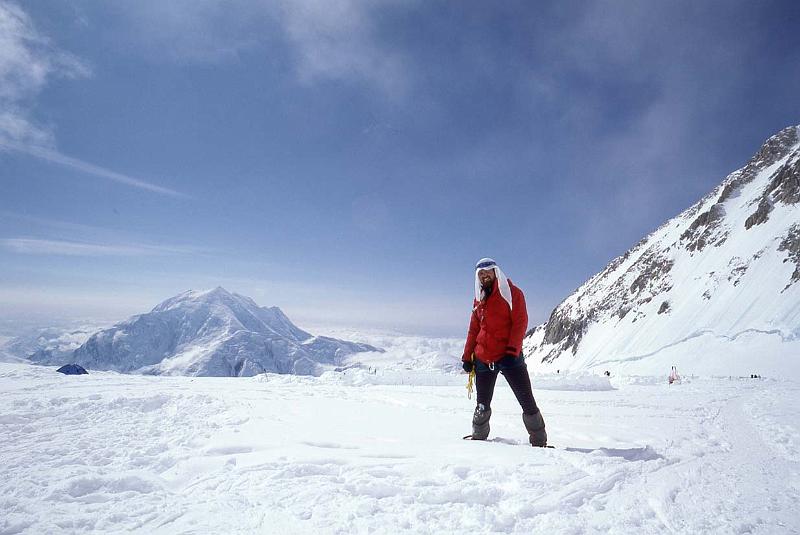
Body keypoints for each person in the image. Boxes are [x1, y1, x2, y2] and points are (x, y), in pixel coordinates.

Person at [461, 258, 547, 447]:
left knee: (527, 401)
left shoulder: (512, 293)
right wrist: (467, 356)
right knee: (482, 404)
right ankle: (478, 439)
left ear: (496, 272)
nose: (484, 276)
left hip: (510, 357)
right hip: (484, 357)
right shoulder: (479, 298)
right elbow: (474, 329)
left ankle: (539, 442)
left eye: (487, 272)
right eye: (480, 274)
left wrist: (511, 351)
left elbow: (520, 322)